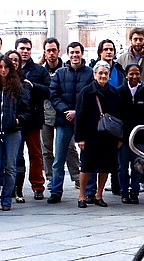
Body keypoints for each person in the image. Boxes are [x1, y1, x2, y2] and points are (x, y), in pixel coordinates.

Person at [47, 42, 93, 204]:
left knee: (87, 157)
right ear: (67, 54)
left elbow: (90, 97)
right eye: (72, 52)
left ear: (82, 54)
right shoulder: (60, 73)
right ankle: (55, 191)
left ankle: (89, 191)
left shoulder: (90, 73)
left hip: (84, 122)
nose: (75, 55)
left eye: (77, 52)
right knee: (59, 158)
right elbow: (54, 95)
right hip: (63, 120)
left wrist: (77, 112)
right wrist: (66, 111)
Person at [74, 60, 123, 209]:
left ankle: (99, 195)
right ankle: (82, 196)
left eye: (106, 73)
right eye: (100, 73)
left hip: (108, 136)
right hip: (90, 135)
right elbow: (80, 115)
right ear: (94, 74)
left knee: (105, 166)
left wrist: (119, 137)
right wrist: (80, 138)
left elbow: (119, 116)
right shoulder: (86, 91)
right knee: (86, 166)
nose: (103, 76)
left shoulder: (114, 92)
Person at [0, 55, 30, 211]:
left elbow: (26, 111)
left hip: (12, 132)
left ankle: (6, 199)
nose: (3, 70)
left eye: (6, 67)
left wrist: (17, 120)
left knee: (10, 167)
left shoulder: (18, 87)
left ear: (10, 69)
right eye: (0, 67)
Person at [40, 37, 80, 191]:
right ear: (44, 52)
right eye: (48, 50)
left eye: (54, 50)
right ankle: (51, 178)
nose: (51, 53)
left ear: (59, 51)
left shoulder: (66, 68)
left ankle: (76, 177)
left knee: (70, 147)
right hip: (47, 112)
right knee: (47, 148)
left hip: (65, 114)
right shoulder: (40, 70)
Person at [89, 39, 126, 196]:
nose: (109, 52)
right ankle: (90, 191)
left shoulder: (118, 69)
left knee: (112, 157)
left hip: (113, 118)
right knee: (91, 159)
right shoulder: (93, 68)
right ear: (100, 52)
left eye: (111, 49)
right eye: (106, 49)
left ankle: (114, 186)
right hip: (96, 120)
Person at [15, 37, 48, 202]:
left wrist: (34, 86)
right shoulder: (10, 68)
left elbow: (50, 91)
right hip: (16, 120)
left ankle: (37, 186)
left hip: (34, 119)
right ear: (16, 50)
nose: (25, 51)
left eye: (28, 48)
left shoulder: (39, 70)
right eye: (22, 48)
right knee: (16, 154)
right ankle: (15, 187)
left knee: (36, 154)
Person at [117, 63, 144, 204]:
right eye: (131, 74)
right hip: (123, 137)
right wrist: (118, 136)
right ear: (126, 75)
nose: (134, 77)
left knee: (137, 166)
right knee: (122, 167)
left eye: (137, 74)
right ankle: (123, 192)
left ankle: (134, 192)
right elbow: (115, 115)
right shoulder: (119, 92)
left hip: (139, 138)